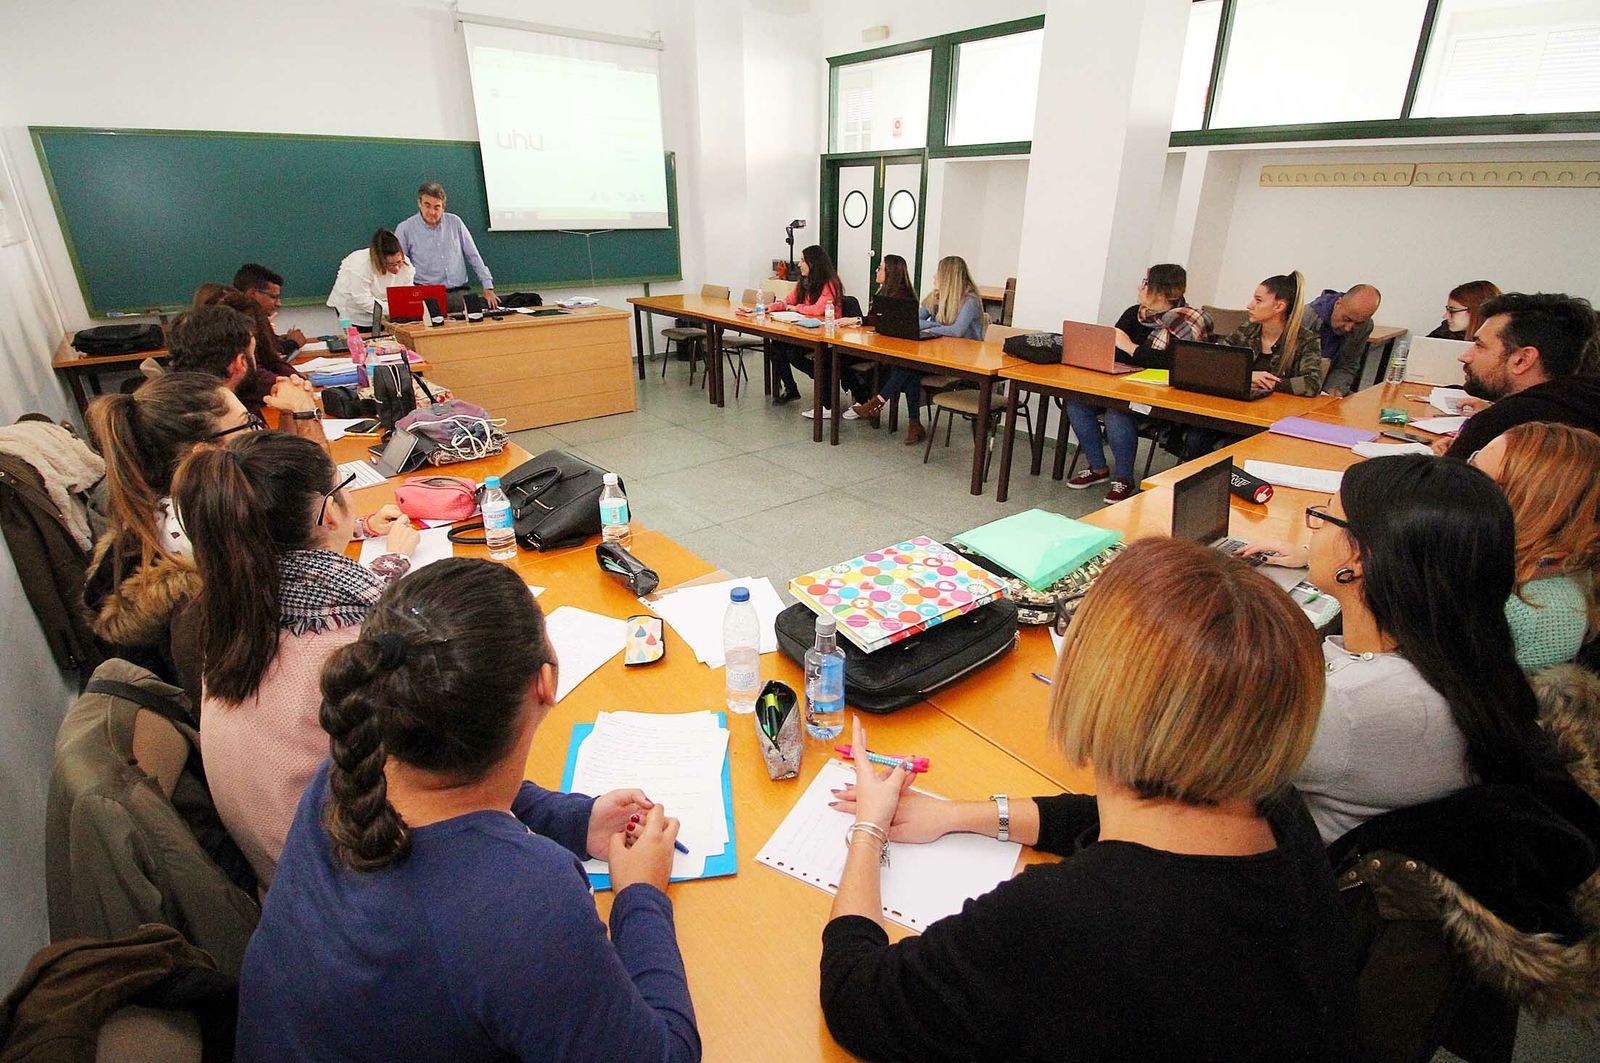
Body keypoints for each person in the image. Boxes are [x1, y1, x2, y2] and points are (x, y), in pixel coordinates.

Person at [819, 537, 1360, 1062]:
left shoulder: (1067, 918)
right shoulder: (1276, 808)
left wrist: (869, 829)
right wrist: (959, 815)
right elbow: (1098, 819)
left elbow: (857, 998)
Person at [235, 559, 700, 1062]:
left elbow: (458, 787)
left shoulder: (347, 774)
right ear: (544, 683)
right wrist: (641, 894)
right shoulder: (524, 900)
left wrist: (573, 820)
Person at [1236, 455, 1558, 846]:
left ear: (1358, 558)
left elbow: (1193, 761)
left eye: (1324, 518)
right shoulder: (1464, 656)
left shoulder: (1350, 708)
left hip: (1297, 882)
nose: (1313, 530)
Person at [173, 432, 420, 888]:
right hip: (351, 886)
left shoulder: (233, 610)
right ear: (329, 512)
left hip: (283, 879)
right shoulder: (352, 643)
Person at [82, 372, 255, 693]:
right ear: (202, 453)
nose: (257, 434)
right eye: (247, 424)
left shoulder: (166, 512)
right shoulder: (205, 534)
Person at [1063, 263, 1214, 503]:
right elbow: (1114, 351)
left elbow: (1174, 364)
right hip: (1125, 385)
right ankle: (1098, 467)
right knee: (1076, 402)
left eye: (1145, 283)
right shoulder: (1133, 313)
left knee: (1117, 412)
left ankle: (1124, 478)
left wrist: (1131, 348)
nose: (1140, 287)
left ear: (1161, 292)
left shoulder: (1191, 320)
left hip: (1164, 397)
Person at [1468, 423, 1600, 671]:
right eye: (1472, 465)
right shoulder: (1497, 558)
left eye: (1478, 480)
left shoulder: (1537, 611)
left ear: (1541, 512)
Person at [1439, 292, 1600, 459]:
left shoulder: (1501, 424)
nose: (1465, 356)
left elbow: (1442, 484)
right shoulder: (1583, 404)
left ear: (1522, 360)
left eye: (1480, 345)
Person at [166, 305, 325, 440]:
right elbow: (318, 475)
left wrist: (287, 414)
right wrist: (306, 414)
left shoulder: (183, 406)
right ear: (240, 362)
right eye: (253, 354)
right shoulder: (227, 421)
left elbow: (277, 461)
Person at [753, 244, 860, 416]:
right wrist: (770, 307)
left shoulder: (830, 283)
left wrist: (797, 308)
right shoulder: (803, 281)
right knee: (777, 346)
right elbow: (788, 301)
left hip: (826, 334)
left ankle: (825, 380)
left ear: (813, 263)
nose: (799, 264)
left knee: (793, 353)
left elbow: (819, 309)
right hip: (807, 331)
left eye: (802, 260)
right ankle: (791, 388)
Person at [395, 181, 498, 310]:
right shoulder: (405, 229)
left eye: (437, 207)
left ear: (443, 207)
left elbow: (473, 256)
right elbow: (399, 267)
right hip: (427, 297)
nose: (432, 212)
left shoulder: (455, 222)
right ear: (419, 203)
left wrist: (487, 286)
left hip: (460, 294)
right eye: (427, 205)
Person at [327, 228, 416, 326]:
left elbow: (406, 293)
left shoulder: (406, 264)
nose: (396, 269)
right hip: (350, 311)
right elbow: (363, 300)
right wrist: (394, 309)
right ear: (379, 260)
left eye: (399, 262)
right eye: (390, 264)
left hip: (383, 311)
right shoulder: (360, 266)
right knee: (354, 338)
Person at [1307, 283, 1381, 397]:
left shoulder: (1366, 326)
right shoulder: (1304, 318)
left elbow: (1348, 365)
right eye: (1346, 319)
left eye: (1358, 323)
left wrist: (1335, 388)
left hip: (1326, 390)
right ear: (1338, 304)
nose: (1348, 328)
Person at [233, 263, 309, 355]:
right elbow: (263, 357)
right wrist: (292, 344)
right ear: (252, 294)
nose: (278, 304)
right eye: (273, 297)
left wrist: (278, 339)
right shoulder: (233, 323)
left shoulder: (250, 318)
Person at [1427, 280, 1500, 341]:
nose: (1445, 316)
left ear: (1476, 311)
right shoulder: (1443, 333)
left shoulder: (1503, 343)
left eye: (1452, 311)